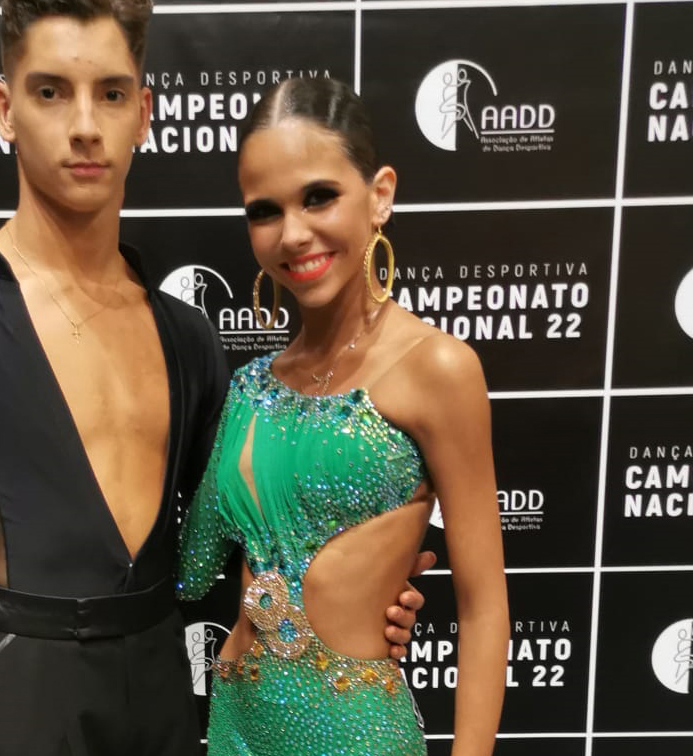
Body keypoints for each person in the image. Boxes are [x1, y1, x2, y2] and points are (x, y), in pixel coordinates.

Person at [0, 0, 426, 756]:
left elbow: (234, 542)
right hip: (19, 696)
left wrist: (359, 604)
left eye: (111, 94)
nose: (85, 126)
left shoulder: (187, 336)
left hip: (163, 696)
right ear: (4, 110)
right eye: (51, 92)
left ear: (143, 114)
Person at [177, 78, 509, 755]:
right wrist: (37, 538)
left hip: (359, 736)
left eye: (318, 197)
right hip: (237, 730)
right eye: (264, 211)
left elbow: (483, 608)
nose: (293, 233)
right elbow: (189, 571)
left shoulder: (438, 369)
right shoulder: (248, 389)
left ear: (379, 194)